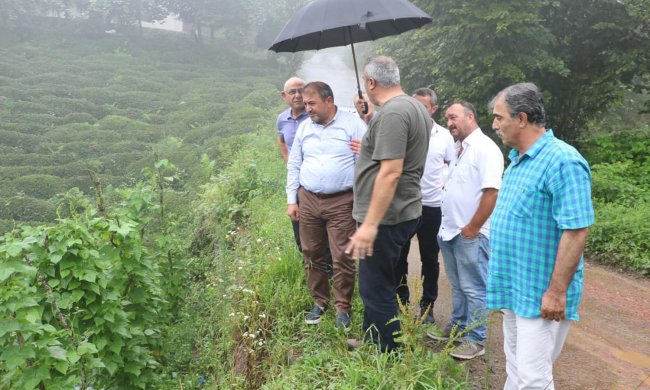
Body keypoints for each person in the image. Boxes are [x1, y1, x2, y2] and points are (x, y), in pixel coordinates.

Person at [488, 83, 594, 389]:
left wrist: (556, 293)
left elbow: (576, 232)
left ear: (521, 118)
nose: (494, 125)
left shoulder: (563, 161)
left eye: (499, 117)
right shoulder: (518, 160)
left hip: (541, 293)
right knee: (516, 369)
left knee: (534, 379)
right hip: (515, 288)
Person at [345, 56, 431, 351]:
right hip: (402, 210)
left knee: (376, 288)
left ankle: (389, 356)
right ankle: (372, 341)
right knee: (376, 283)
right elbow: (396, 145)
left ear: (371, 83)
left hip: (386, 216)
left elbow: (391, 171)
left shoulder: (394, 113)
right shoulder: (413, 108)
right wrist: (369, 118)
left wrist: (369, 225)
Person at [286, 81, 367, 328]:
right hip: (308, 198)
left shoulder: (352, 124)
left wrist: (366, 152)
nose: (307, 108)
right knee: (311, 252)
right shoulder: (304, 128)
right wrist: (292, 199)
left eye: (312, 103)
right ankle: (319, 302)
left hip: (342, 200)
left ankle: (343, 308)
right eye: (305, 103)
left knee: (342, 255)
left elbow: (367, 161)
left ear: (329, 101)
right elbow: (294, 164)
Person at [428, 100, 504, 360]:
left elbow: (492, 191)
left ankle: (476, 338)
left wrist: (473, 227)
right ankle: (458, 327)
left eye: (454, 117)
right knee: (458, 286)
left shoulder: (485, 149)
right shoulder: (460, 149)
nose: (449, 123)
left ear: (470, 117)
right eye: (447, 119)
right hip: (450, 231)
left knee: (474, 288)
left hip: (471, 233)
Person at [395, 87, 456, 324]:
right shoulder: (402, 131)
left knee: (429, 258)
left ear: (433, 109)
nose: (417, 110)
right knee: (399, 256)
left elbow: (451, 165)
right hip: (404, 204)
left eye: (423, 106)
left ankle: (427, 306)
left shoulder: (444, 137)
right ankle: (400, 301)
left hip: (432, 206)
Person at [277, 77, 308, 250]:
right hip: (296, 181)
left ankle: (328, 269)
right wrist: (289, 162)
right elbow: (281, 141)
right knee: (298, 223)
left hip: (314, 180)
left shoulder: (314, 116)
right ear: (284, 95)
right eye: (292, 92)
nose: (297, 95)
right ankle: (307, 262)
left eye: (301, 90)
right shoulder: (282, 119)